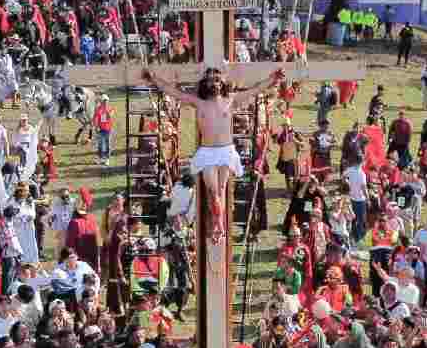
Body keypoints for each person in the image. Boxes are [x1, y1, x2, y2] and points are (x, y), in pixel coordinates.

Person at [143, 66, 284, 244]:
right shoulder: (199, 102)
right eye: (211, 80)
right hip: (208, 152)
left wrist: (272, 78)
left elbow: (254, 90)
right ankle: (218, 223)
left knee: (221, 189)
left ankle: (219, 225)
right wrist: (154, 79)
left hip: (226, 151)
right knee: (213, 192)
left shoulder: (230, 100)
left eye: (217, 80)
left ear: (222, 83)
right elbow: (174, 92)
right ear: (205, 83)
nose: (214, 83)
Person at [93, 94, 115, 167]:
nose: (105, 102)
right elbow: (95, 118)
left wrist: (106, 109)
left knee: (107, 144)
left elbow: (109, 116)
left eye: (106, 101)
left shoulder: (111, 108)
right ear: (101, 101)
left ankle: (107, 159)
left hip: (108, 129)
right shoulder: (98, 109)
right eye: (103, 101)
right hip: (100, 129)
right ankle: (100, 158)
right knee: (100, 144)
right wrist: (96, 127)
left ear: (108, 101)